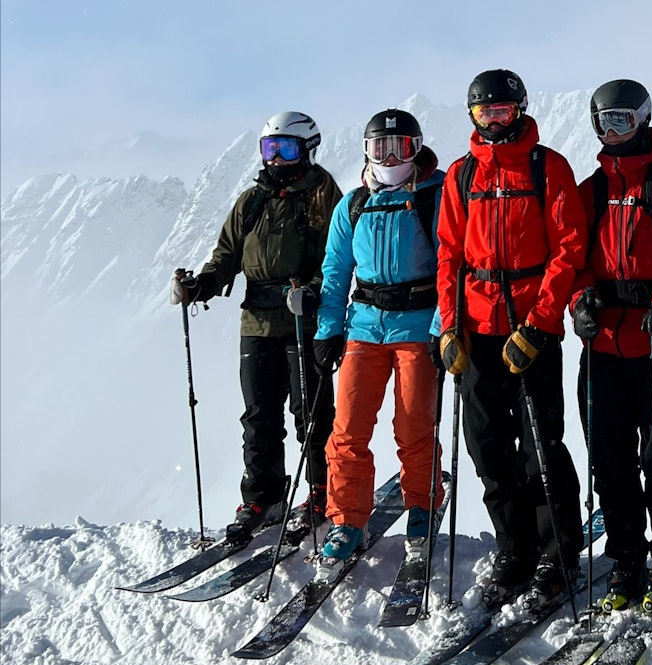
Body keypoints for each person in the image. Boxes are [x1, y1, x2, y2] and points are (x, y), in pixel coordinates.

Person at [434, 69, 588, 610]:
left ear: (521, 108)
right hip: (477, 328)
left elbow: (569, 249)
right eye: (484, 112)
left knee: (540, 445)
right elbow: (449, 255)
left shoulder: (548, 168)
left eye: (502, 110)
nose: (494, 120)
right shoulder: (461, 176)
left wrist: (540, 324)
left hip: (531, 330)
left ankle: (557, 553)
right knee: (486, 446)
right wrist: (449, 326)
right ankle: (513, 547)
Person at [171, 111, 341, 543]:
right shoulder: (251, 201)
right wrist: (201, 285)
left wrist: (316, 291)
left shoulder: (322, 195)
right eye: (270, 149)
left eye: (287, 148)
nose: (278, 158)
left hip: (303, 320)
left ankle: (323, 493)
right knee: (259, 417)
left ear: (307, 149)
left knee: (312, 415)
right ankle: (263, 499)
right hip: (256, 322)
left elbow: (336, 258)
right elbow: (226, 254)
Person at [569, 78, 652, 614]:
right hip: (605, 344)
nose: (613, 131)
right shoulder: (591, 191)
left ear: (644, 120)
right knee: (610, 456)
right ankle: (625, 554)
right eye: (605, 122)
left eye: (623, 120)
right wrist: (581, 302)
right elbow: (574, 258)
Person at [309, 108, 446, 564]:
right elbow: (335, 271)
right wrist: (328, 329)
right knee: (347, 429)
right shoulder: (353, 204)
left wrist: (440, 330)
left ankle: (423, 507)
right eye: (379, 148)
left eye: (399, 147)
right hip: (363, 327)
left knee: (414, 426)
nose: (389, 157)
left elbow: (453, 266)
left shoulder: (436, 195)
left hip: (416, 326)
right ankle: (347, 519)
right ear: (366, 151)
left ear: (416, 148)